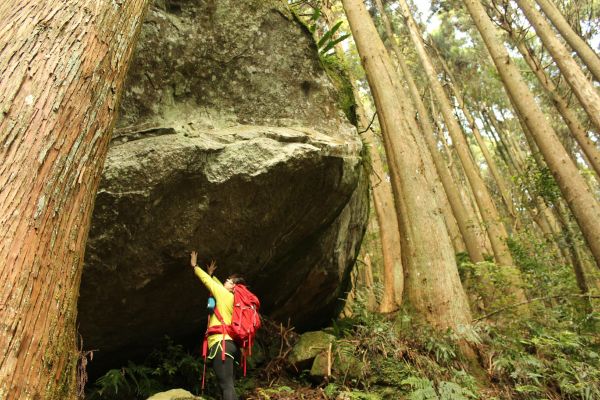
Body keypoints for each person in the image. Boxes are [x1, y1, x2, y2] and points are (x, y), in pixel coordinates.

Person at [190, 251, 243, 400]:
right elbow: (217, 284)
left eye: (229, 281)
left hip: (221, 344)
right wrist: (212, 274)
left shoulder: (223, 294)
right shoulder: (233, 299)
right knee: (229, 385)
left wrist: (195, 267)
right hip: (231, 346)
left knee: (226, 386)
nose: (225, 281)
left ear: (234, 287)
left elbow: (208, 282)